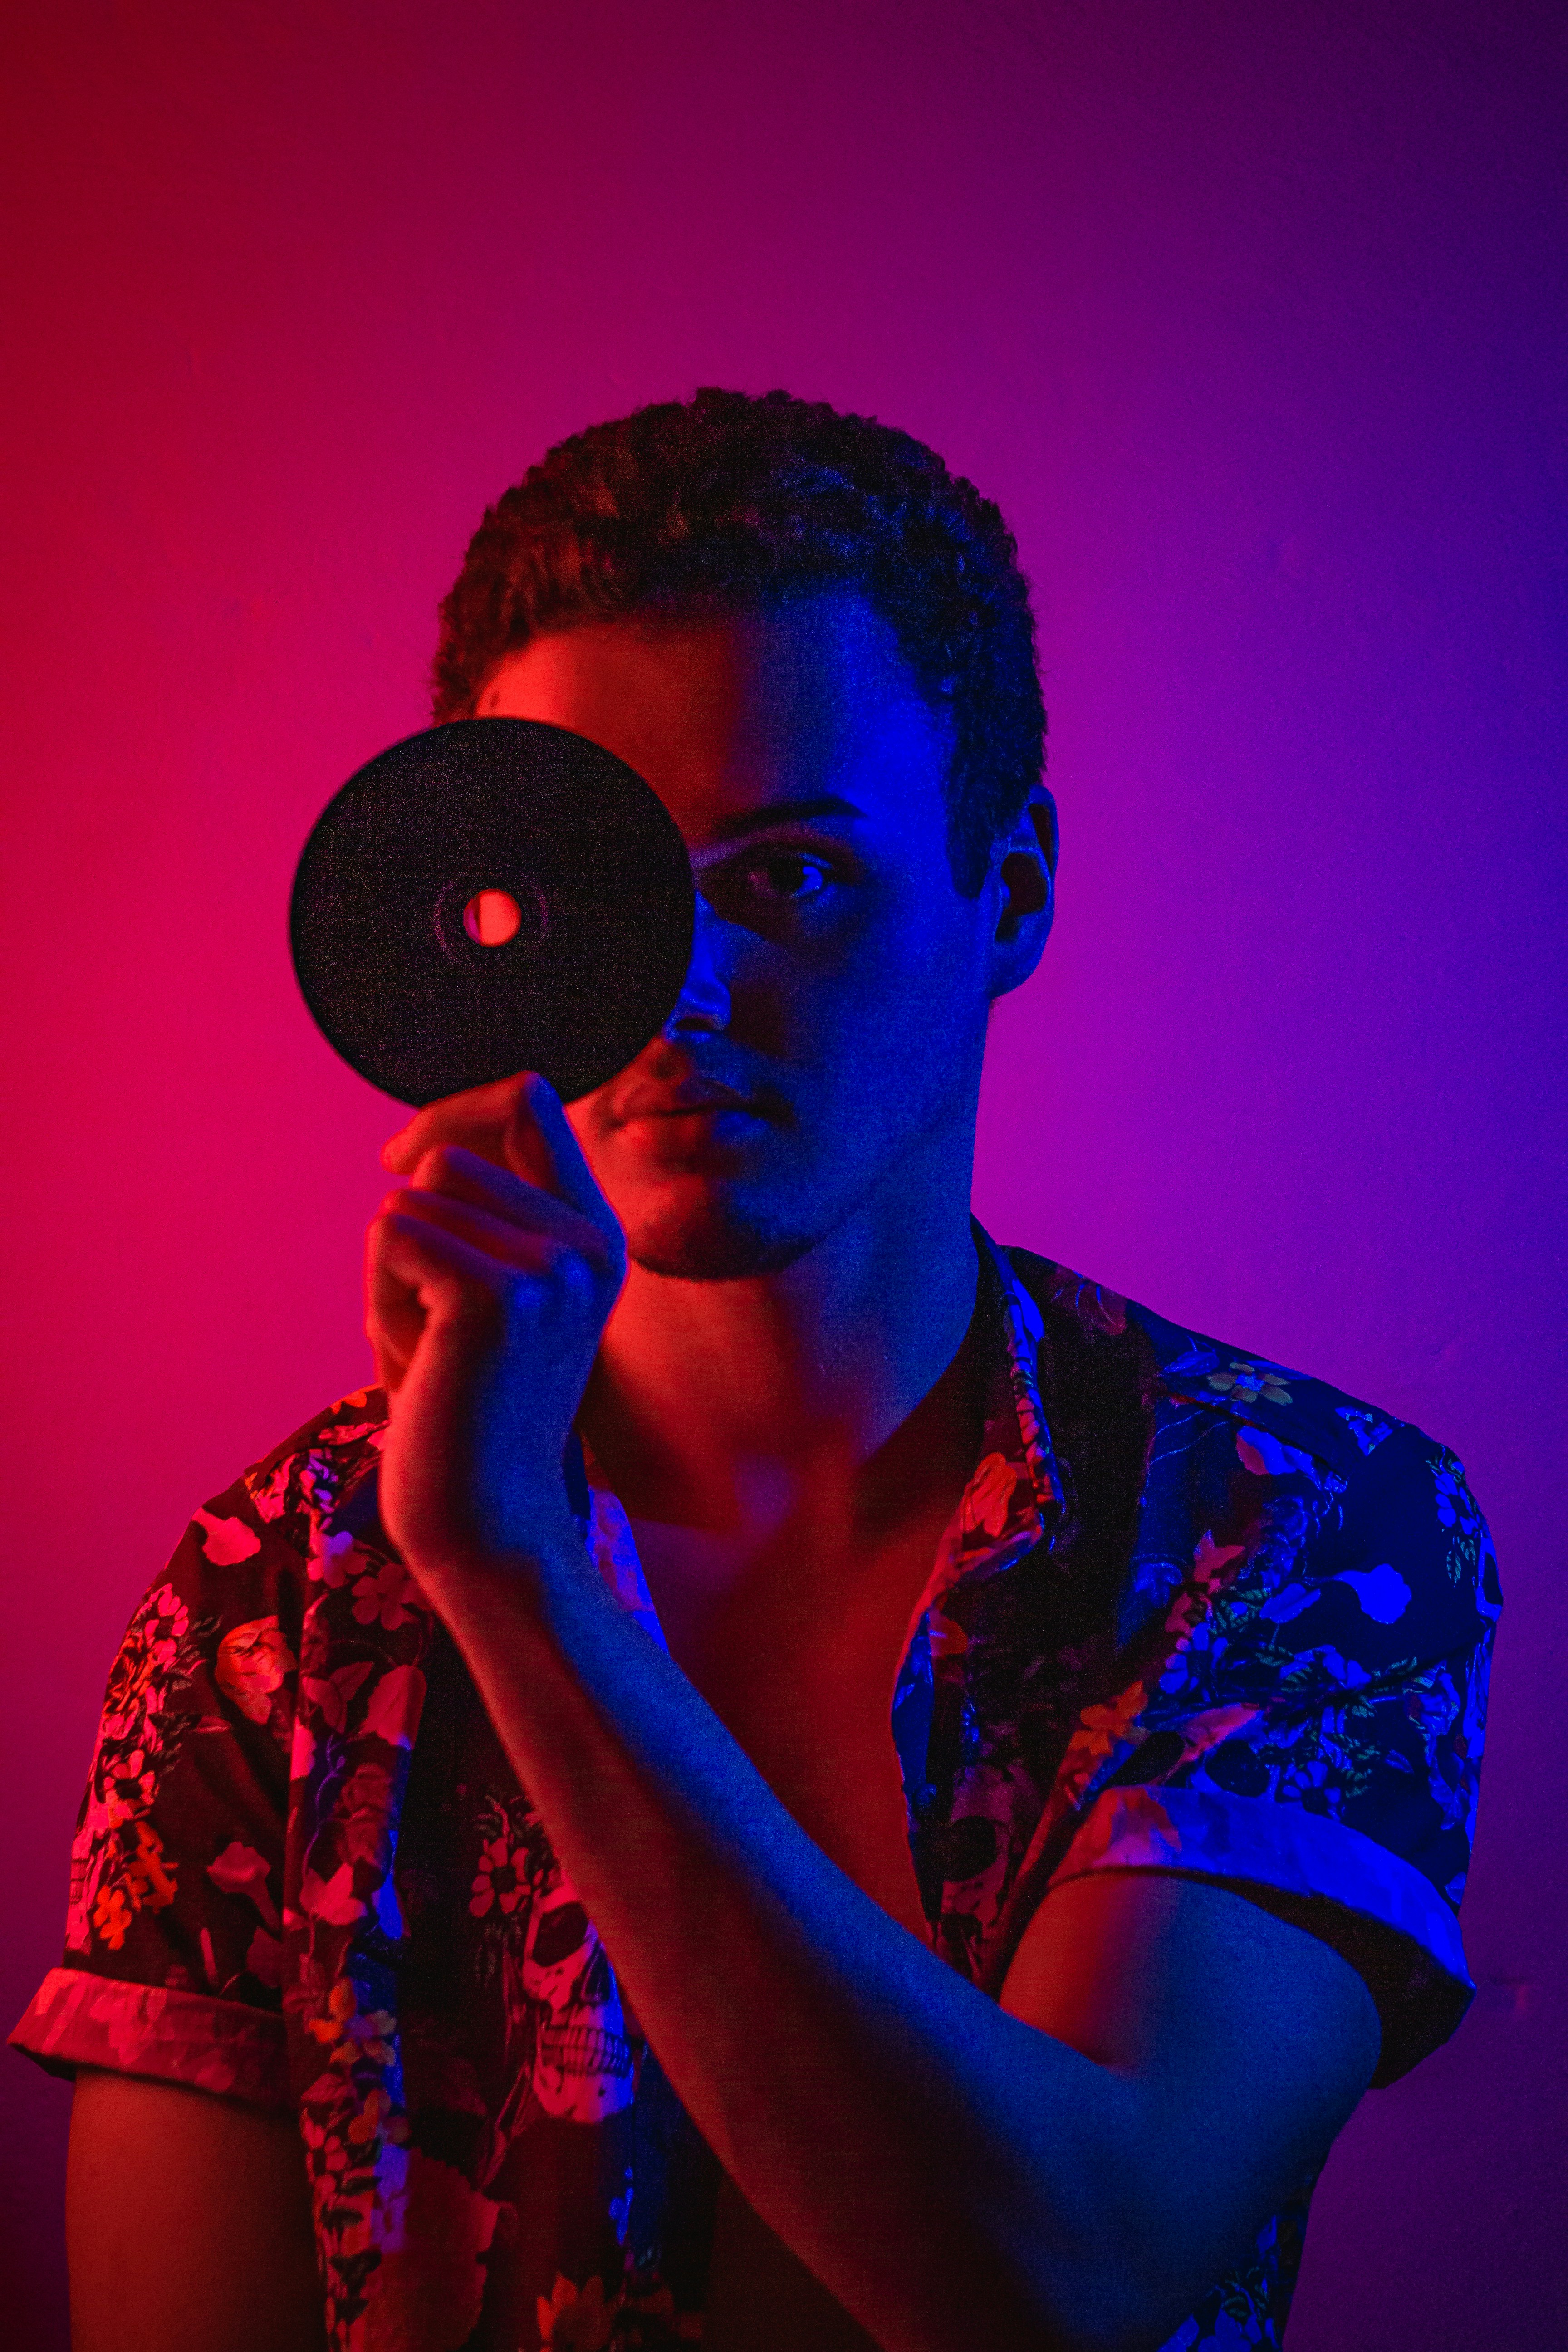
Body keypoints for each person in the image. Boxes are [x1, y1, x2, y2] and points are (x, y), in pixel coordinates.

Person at [14, 389, 1499, 2352]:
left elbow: (1062, 2281)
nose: (677, 990)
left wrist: (528, 1587)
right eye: (591, 890)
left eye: (790, 875)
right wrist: (456, 1542)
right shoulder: (269, 1612)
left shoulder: (1298, 1533)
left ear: (1015, 886)